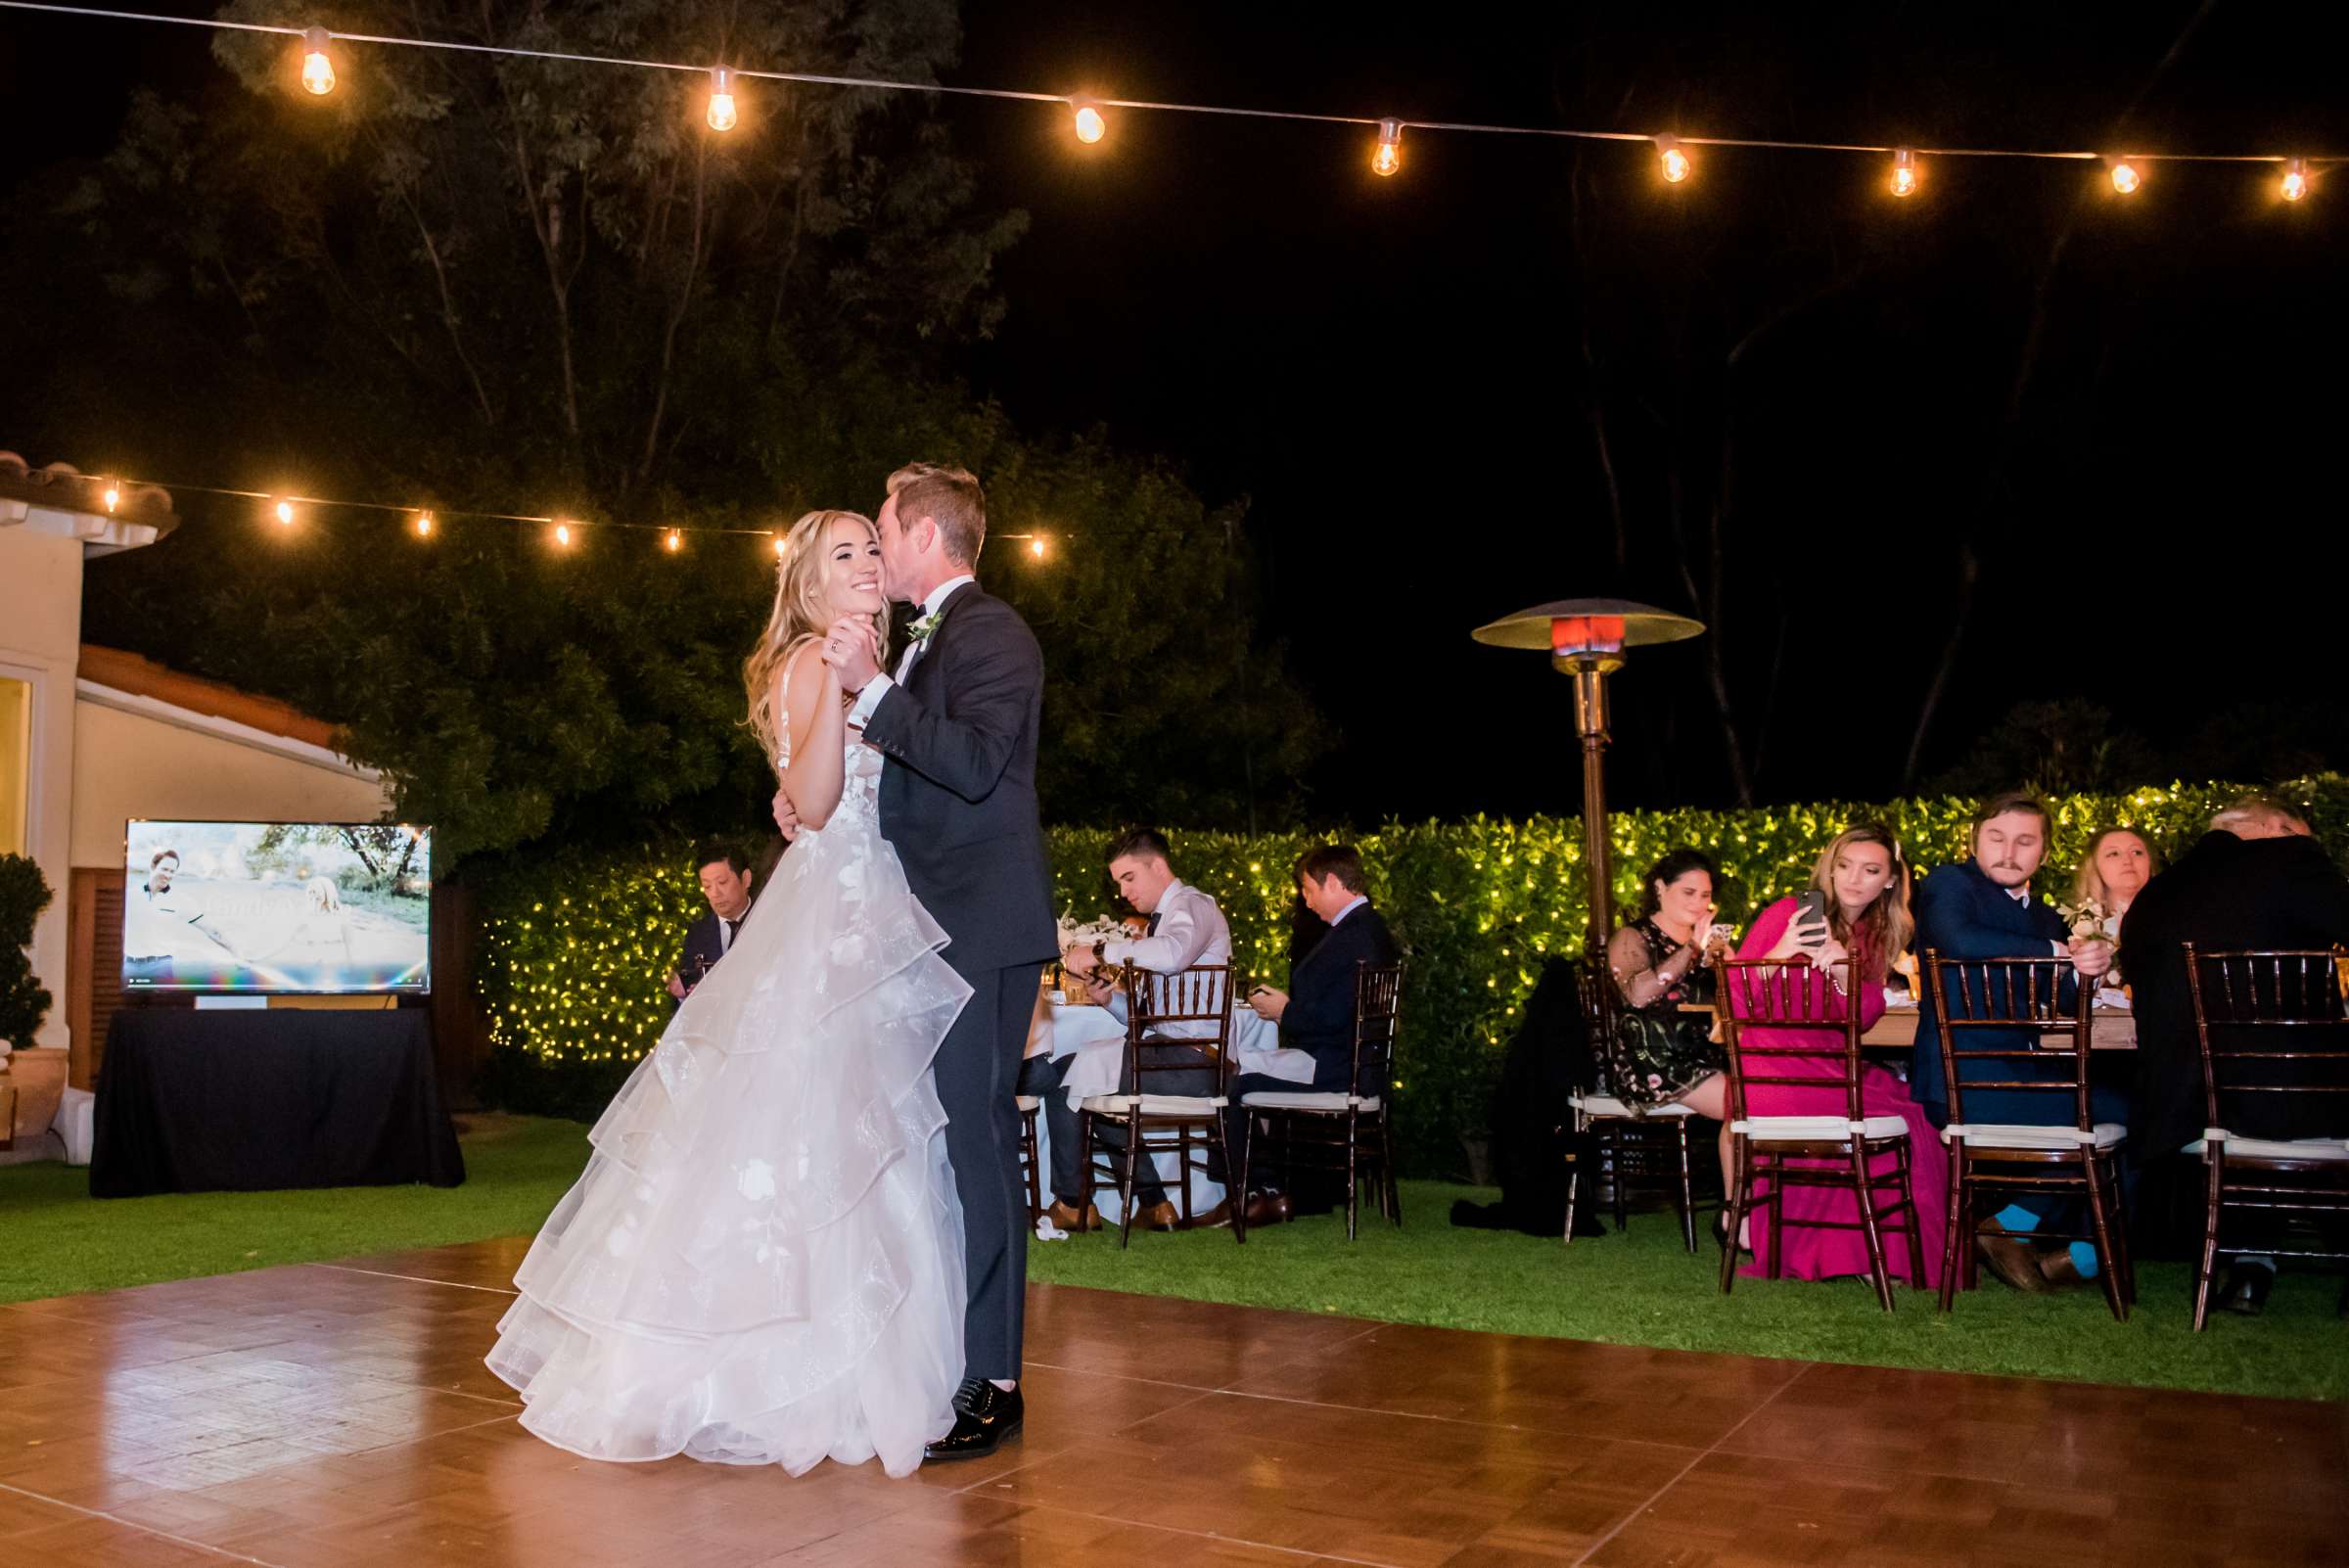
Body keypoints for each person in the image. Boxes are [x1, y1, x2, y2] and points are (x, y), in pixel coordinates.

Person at [486, 508, 971, 1479]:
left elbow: (817, 790)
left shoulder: (869, 660)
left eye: (873, 547)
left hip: (869, 906)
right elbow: (824, 801)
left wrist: (838, 720)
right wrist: (835, 703)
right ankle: (777, 1377)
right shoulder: (813, 661)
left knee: (872, 1134)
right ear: (807, 584)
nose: (870, 562)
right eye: (846, 554)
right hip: (832, 921)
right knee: (812, 1131)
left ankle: (870, 1361)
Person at [802, 462, 1056, 1462]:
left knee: (983, 1143)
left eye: (884, 526)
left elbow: (975, 762)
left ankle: (996, 1381)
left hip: (983, 925)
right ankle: (961, 1357)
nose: (875, 542)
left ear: (925, 538)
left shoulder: (990, 630)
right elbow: (906, 778)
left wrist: (870, 689)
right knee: (950, 1143)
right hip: (932, 924)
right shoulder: (932, 639)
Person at [2118, 794, 2349, 1314]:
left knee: (2253, 1095)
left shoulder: (2155, 894)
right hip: (2296, 1104)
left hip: (2185, 1112)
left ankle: (2250, 1266)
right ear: (2278, 826)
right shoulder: (2293, 859)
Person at [1911, 792, 2117, 1293]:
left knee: (2138, 1113)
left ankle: (2062, 1251)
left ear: (2042, 854)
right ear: (1974, 841)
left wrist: (2091, 970)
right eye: (1996, 838)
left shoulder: (2045, 915)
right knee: (2126, 1114)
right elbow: (1960, 941)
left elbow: (2065, 997)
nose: (2009, 852)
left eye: (2025, 842)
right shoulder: (1949, 885)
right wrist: (2054, 951)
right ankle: (2017, 1230)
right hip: (1959, 1081)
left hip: (2021, 1075)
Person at [1726, 826, 1949, 1283]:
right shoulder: (1789, 913)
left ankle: (1889, 1252)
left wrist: (1841, 968)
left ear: (1889, 880)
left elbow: (1865, 1014)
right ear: (1830, 866)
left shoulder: (1874, 933)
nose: (1854, 879)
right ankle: (1863, 1254)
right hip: (1772, 1069)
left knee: (1922, 1113)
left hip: (1831, 1065)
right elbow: (1735, 1000)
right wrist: (1784, 949)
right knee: (1874, 1117)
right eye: (1844, 865)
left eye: (1870, 870)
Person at [1029, 828, 1229, 1233]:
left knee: (1066, 1077)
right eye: (1119, 882)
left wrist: (1100, 950)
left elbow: (1173, 956)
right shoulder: (1165, 924)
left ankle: (1073, 1203)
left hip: (1195, 1063)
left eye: (1129, 878)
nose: (1123, 892)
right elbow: (1151, 1018)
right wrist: (1109, 999)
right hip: (1171, 1056)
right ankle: (1154, 1205)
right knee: (1088, 1084)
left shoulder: (1193, 906)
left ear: (1158, 865)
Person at [1218, 845, 1402, 1224]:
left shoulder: (1355, 937)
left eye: (1307, 888)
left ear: (1332, 882)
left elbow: (1334, 1019)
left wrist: (1283, 1011)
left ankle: (1252, 1193)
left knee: (1229, 1084)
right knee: (1239, 1069)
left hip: (1335, 1068)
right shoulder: (1367, 928)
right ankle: (1266, 1188)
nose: (1305, 898)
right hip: (1349, 1064)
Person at [1596, 849, 1730, 1116]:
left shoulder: (1710, 942)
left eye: (1705, 895)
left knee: (1767, 1094)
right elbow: (1637, 994)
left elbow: (1741, 995)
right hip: (1653, 1064)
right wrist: (1692, 947)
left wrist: (1727, 961)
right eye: (1688, 893)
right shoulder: (1632, 937)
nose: (1699, 903)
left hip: (1709, 1057)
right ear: (1660, 887)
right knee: (1744, 1106)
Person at [667, 842, 757, 1000]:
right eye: (707, 887)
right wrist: (685, 994)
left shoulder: (768, 918)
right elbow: (687, 989)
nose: (715, 893)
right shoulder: (697, 933)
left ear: (746, 879)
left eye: (722, 882)